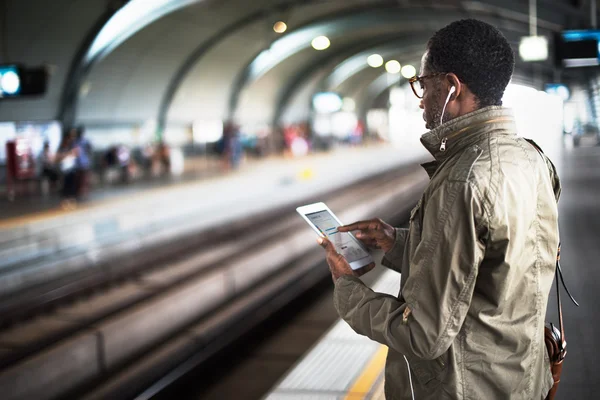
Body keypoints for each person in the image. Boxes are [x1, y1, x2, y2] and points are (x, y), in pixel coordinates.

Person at [318, 19, 561, 399]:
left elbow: (423, 334)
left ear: (451, 87)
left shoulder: (463, 181)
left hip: (468, 388)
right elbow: (490, 266)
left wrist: (347, 287)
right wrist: (396, 241)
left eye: (424, 84)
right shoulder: (530, 158)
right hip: (520, 378)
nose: (420, 98)